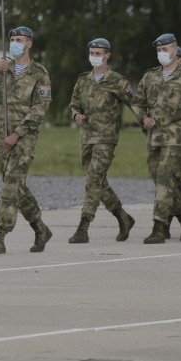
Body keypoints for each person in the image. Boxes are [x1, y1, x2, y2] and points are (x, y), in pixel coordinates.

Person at [0, 26, 53, 254]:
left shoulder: (39, 74)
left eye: (20, 39)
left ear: (29, 44)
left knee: (9, 187)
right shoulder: (5, 69)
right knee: (17, 188)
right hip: (2, 139)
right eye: (12, 39)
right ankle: (40, 228)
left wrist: (17, 134)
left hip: (23, 140)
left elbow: (39, 110)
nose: (15, 43)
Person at [131, 33, 181, 243]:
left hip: (177, 140)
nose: (162, 54)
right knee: (161, 182)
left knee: (166, 177)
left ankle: (159, 226)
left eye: (165, 50)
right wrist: (143, 118)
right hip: (154, 139)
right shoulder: (150, 77)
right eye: (159, 50)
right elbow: (137, 102)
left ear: (175, 51)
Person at [67, 38, 139, 243]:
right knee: (97, 181)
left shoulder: (117, 81)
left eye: (98, 53)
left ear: (107, 55)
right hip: (86, 137)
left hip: (106, 138)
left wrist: (147, 121)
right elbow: (73, 105)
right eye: (91, 52)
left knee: (92, 180)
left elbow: (135, 103)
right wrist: (76, 115)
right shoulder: (83, 80)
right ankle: (123, 217)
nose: (94, 56)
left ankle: (83, 226)